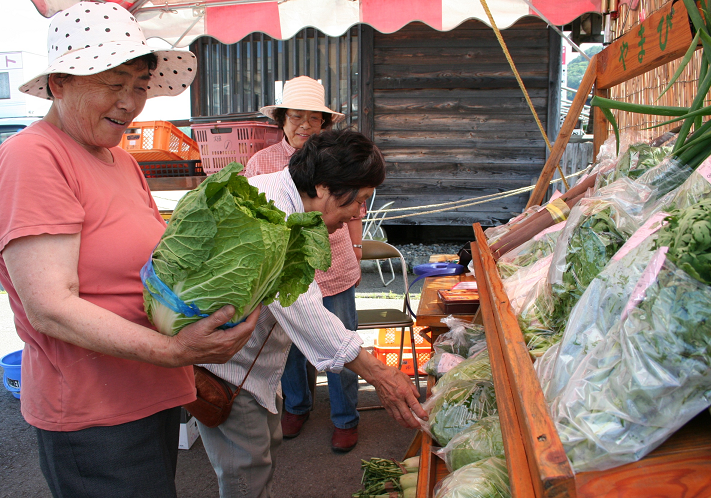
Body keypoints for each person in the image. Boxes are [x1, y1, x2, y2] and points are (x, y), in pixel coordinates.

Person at [0, 3, 259, 497]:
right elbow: (50, 307)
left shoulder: (120, 159)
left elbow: (151, 268)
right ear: (59, 83)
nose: (130, 102)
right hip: (93, 413)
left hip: (152, 390)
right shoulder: (33, 157)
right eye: (112, 83)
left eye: (139, 85)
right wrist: (174, 348)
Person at [199, 129, 427, 497]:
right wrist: (380, 375)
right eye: (360, 199)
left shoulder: (285, 199)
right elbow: (301, 304)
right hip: (226, 371)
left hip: (251, 368)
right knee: (246, 473)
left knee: (262, 455)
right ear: (323, 187)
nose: (360, 212)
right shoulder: (269, 212)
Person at [245, 76, 365, 452]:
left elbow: (355, 206)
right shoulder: (261, 163)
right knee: (290, 344)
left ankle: (346, 418)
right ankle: (297, 406)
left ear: (324, 124)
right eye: (296, 117)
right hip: (285, 271)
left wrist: (358, 246)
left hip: (335, 266)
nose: (305, 126)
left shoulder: (336, 159)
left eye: (315, 119)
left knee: (342, 342)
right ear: (281, 119)